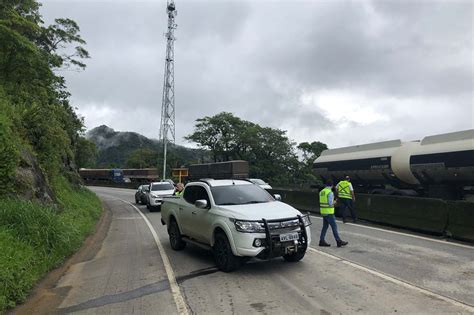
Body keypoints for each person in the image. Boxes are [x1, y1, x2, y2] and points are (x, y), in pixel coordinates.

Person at [319, 180, 348, 247]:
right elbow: (330, 203)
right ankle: (338, 241)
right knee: (334, 227)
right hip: (329, 212)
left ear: (326, 185)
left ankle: (321, 241)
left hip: (323, 211)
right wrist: (335, 201)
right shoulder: (330, 192)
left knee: (325, 227)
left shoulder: (322, 192)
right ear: (332, 185)